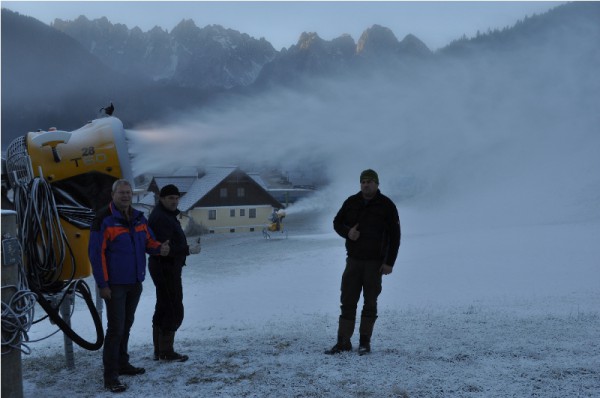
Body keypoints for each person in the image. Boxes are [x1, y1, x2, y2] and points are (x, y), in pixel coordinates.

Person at [89, 179, 170, 393]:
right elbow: (96, 255)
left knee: (126, 326)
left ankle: (123, 364)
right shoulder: (104, 219)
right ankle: (110, 376)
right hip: (114, 285)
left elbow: (148, 242)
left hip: (135, 282)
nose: (125, 196)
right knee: (115, 329)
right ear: (113, 194)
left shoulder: (138, 218)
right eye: (121, 193)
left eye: (128, 193)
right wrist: (102, 284)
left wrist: (159, 248)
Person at [326, 169, 401, 355]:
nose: (365, 185)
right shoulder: (351, 202)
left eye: (369, 181)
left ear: (377, 184)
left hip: (375, 264)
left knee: (370, 302)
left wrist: (389, 262)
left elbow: (395, 236)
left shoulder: (386, 205)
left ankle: (364, 342)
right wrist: (347, 232)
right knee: (347, 301)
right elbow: (337, 222)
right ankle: (343, 341)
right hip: (353, 261)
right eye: (363, 182)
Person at [148, 184, 201, 362]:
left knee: (163, 306)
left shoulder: (165, 215)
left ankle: (160, 350)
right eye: (170, 198)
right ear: (162, 199)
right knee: (173, 307)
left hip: (165, 267)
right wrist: (188, 249)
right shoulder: (161, 218)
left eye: (176, 198)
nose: (174, 201)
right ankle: (166, 351)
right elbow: (165, 248)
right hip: (165, 267)